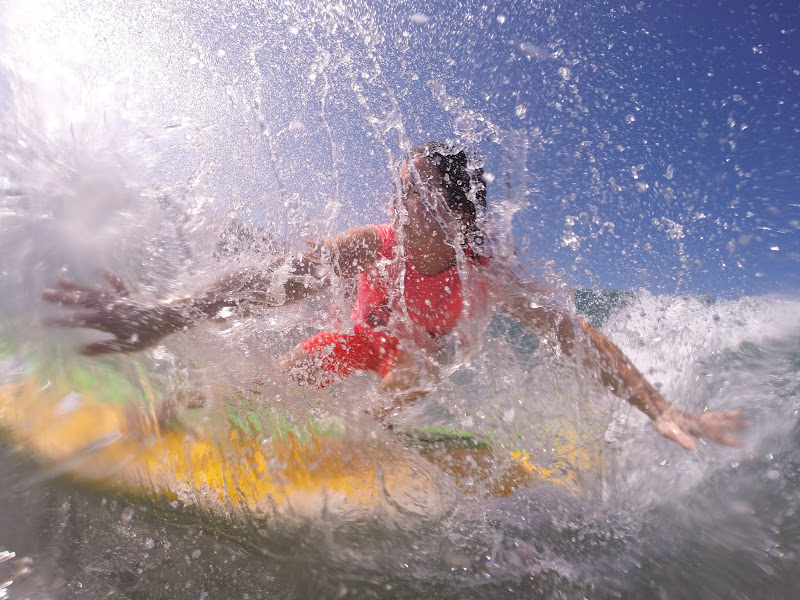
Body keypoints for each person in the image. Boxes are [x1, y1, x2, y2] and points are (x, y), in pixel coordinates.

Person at [42, 142, 749, 450]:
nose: (395, 205)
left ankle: (366, 439)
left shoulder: (486, 272)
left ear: (458, 216)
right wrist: (165, 316)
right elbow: (272, 283)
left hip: (416, 360)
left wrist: (659, 407)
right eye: (397, 191)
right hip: (355, 341)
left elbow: (572, 334)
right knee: (268, 381)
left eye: (413, 196)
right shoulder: (373, 243)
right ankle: (152, 418)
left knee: (408, 370)